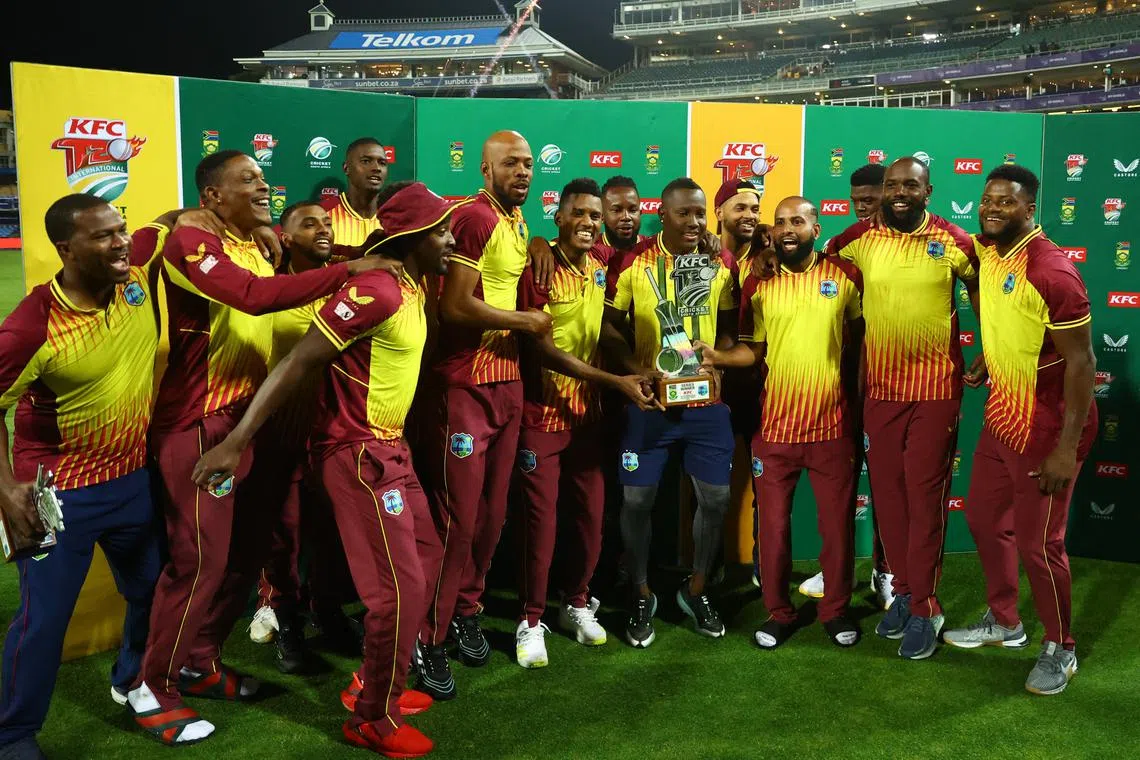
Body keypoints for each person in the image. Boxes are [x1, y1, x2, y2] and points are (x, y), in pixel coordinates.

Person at [127, 150, 394, 744]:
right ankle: (152, 686)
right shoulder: (188, 242)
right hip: (198, 425)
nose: (263, 184)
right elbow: (248, 296)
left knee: (245, 556)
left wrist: (272, 235)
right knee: (199, 560)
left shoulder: (253, 240)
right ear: (213, 197)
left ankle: (199, 661)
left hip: (246, 423)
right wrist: (349, 272)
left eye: (263, 176)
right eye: (247, 180)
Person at [193, 181, 460, 757]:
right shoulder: (379, 292)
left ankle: (372, 679)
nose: (451, 239)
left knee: (429, 557)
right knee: (396, 590)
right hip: (358, 453)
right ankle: (371, 718)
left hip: (391, 448)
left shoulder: (413, 282)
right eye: (440, 230)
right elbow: (299, 360)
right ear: (412, 237)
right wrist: (237, 442)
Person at [0, 196, 165, 760]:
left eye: (120, 230)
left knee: (150, 590)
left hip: (132, 481)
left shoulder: (135, 270)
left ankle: (131, 679)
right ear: (66, 249)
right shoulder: (33, 324)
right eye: (102, 237)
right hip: (59, 494)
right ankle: (13, 733)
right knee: (43, 621)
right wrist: (5, 489)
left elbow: (167, 226)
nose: (120, 243)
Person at [943, 165, 1096, 696]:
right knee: (985, 520)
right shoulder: (988, 252)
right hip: (1004, 413)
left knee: (1040, 545)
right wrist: (990, 354)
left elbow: (1081, 364)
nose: (991, 209)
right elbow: (1010, 317)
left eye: (1005, 202)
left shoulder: (1053, 271)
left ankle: (1061, 648)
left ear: (1030, 208)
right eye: (987, 200)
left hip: (1048, 427)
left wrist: (1066, 449)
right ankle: (1005, 621)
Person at [414, 131, 552, 699]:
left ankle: (466, 610)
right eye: (510, 163)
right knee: (458, 519)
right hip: (466, 384)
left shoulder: (516, 222)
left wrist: (539, 238)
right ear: (485, 167)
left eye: (527, 163)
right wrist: (524, 323)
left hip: (508, 385)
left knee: (494, 517)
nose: (522, 171)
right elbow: (454, 305)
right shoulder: (473, 217)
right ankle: (429, 637)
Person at [826, 156, 980, 660]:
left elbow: (987, 295)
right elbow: (813, 268)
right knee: (889, 498)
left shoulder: (955, 242)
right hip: (881, 393)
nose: (898, 193)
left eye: (909, 186)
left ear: (927, 191)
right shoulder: (856, 239)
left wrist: (991, 354)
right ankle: (909, 592)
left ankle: (925, 606)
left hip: (936, 392)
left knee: (923, 495)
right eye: (891, 184)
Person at [698, 196, 863, 649]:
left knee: (836, 529)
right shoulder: (759, 283)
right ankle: (779, 613)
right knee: (772, 530)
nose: (789, 229)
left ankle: (835, 611)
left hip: (832, 427)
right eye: (782, 222)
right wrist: (717, 356)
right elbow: (754, 350)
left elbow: (858, 346)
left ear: (816, 225)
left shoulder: (845, 277)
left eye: (798, 221)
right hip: (775, 431)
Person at [512, 178, 655, 668]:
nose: (591, 223)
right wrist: (615, 381)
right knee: (541, 525)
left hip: (588, 419)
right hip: (542, 415)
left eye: (596, 216)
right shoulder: (538, 267)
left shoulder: (600, 268)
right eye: (580, 214)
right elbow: (541, 349)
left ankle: (576, 602)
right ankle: (531, 621)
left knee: (591, 521)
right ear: (558, 217)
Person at [604, 177, 738, 646]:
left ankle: (696, 588)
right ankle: (640, 591)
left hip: (705, 405)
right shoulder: (632, 262)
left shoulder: (721, 261)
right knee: (637, 502)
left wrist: (718, 360)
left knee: (717, 500)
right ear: (662, 215)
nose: (695, 222)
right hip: (651, 405)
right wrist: (636, 370)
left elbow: (730, 328)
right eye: (685, 213)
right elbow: (609, 328)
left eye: (701, 213)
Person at [799, 161, 895, 610]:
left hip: (898, 383)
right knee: (840, 482)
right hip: (847, 381)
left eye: (870, 198)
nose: (862, 207)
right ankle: (837, 567)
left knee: (888, 483)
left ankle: (887, 571)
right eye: (856, 199)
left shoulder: (925, 242)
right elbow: (805, 264)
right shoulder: (845, 243)